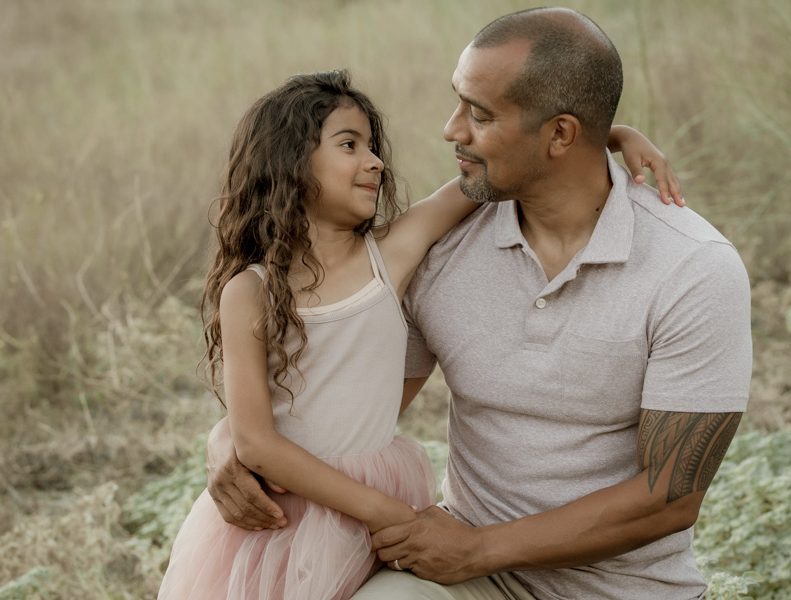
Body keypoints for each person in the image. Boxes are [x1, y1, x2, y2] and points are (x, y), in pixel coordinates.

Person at [160, 68, 679, 600]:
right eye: (348, 144)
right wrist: (386, 511)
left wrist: (614, 135)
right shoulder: (250, 290)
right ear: (288, 162)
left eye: (372, 145)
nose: (376, 161)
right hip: (288, 512)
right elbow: (257, 442)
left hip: (367, 506)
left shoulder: (391, 255)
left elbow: (486, 179)